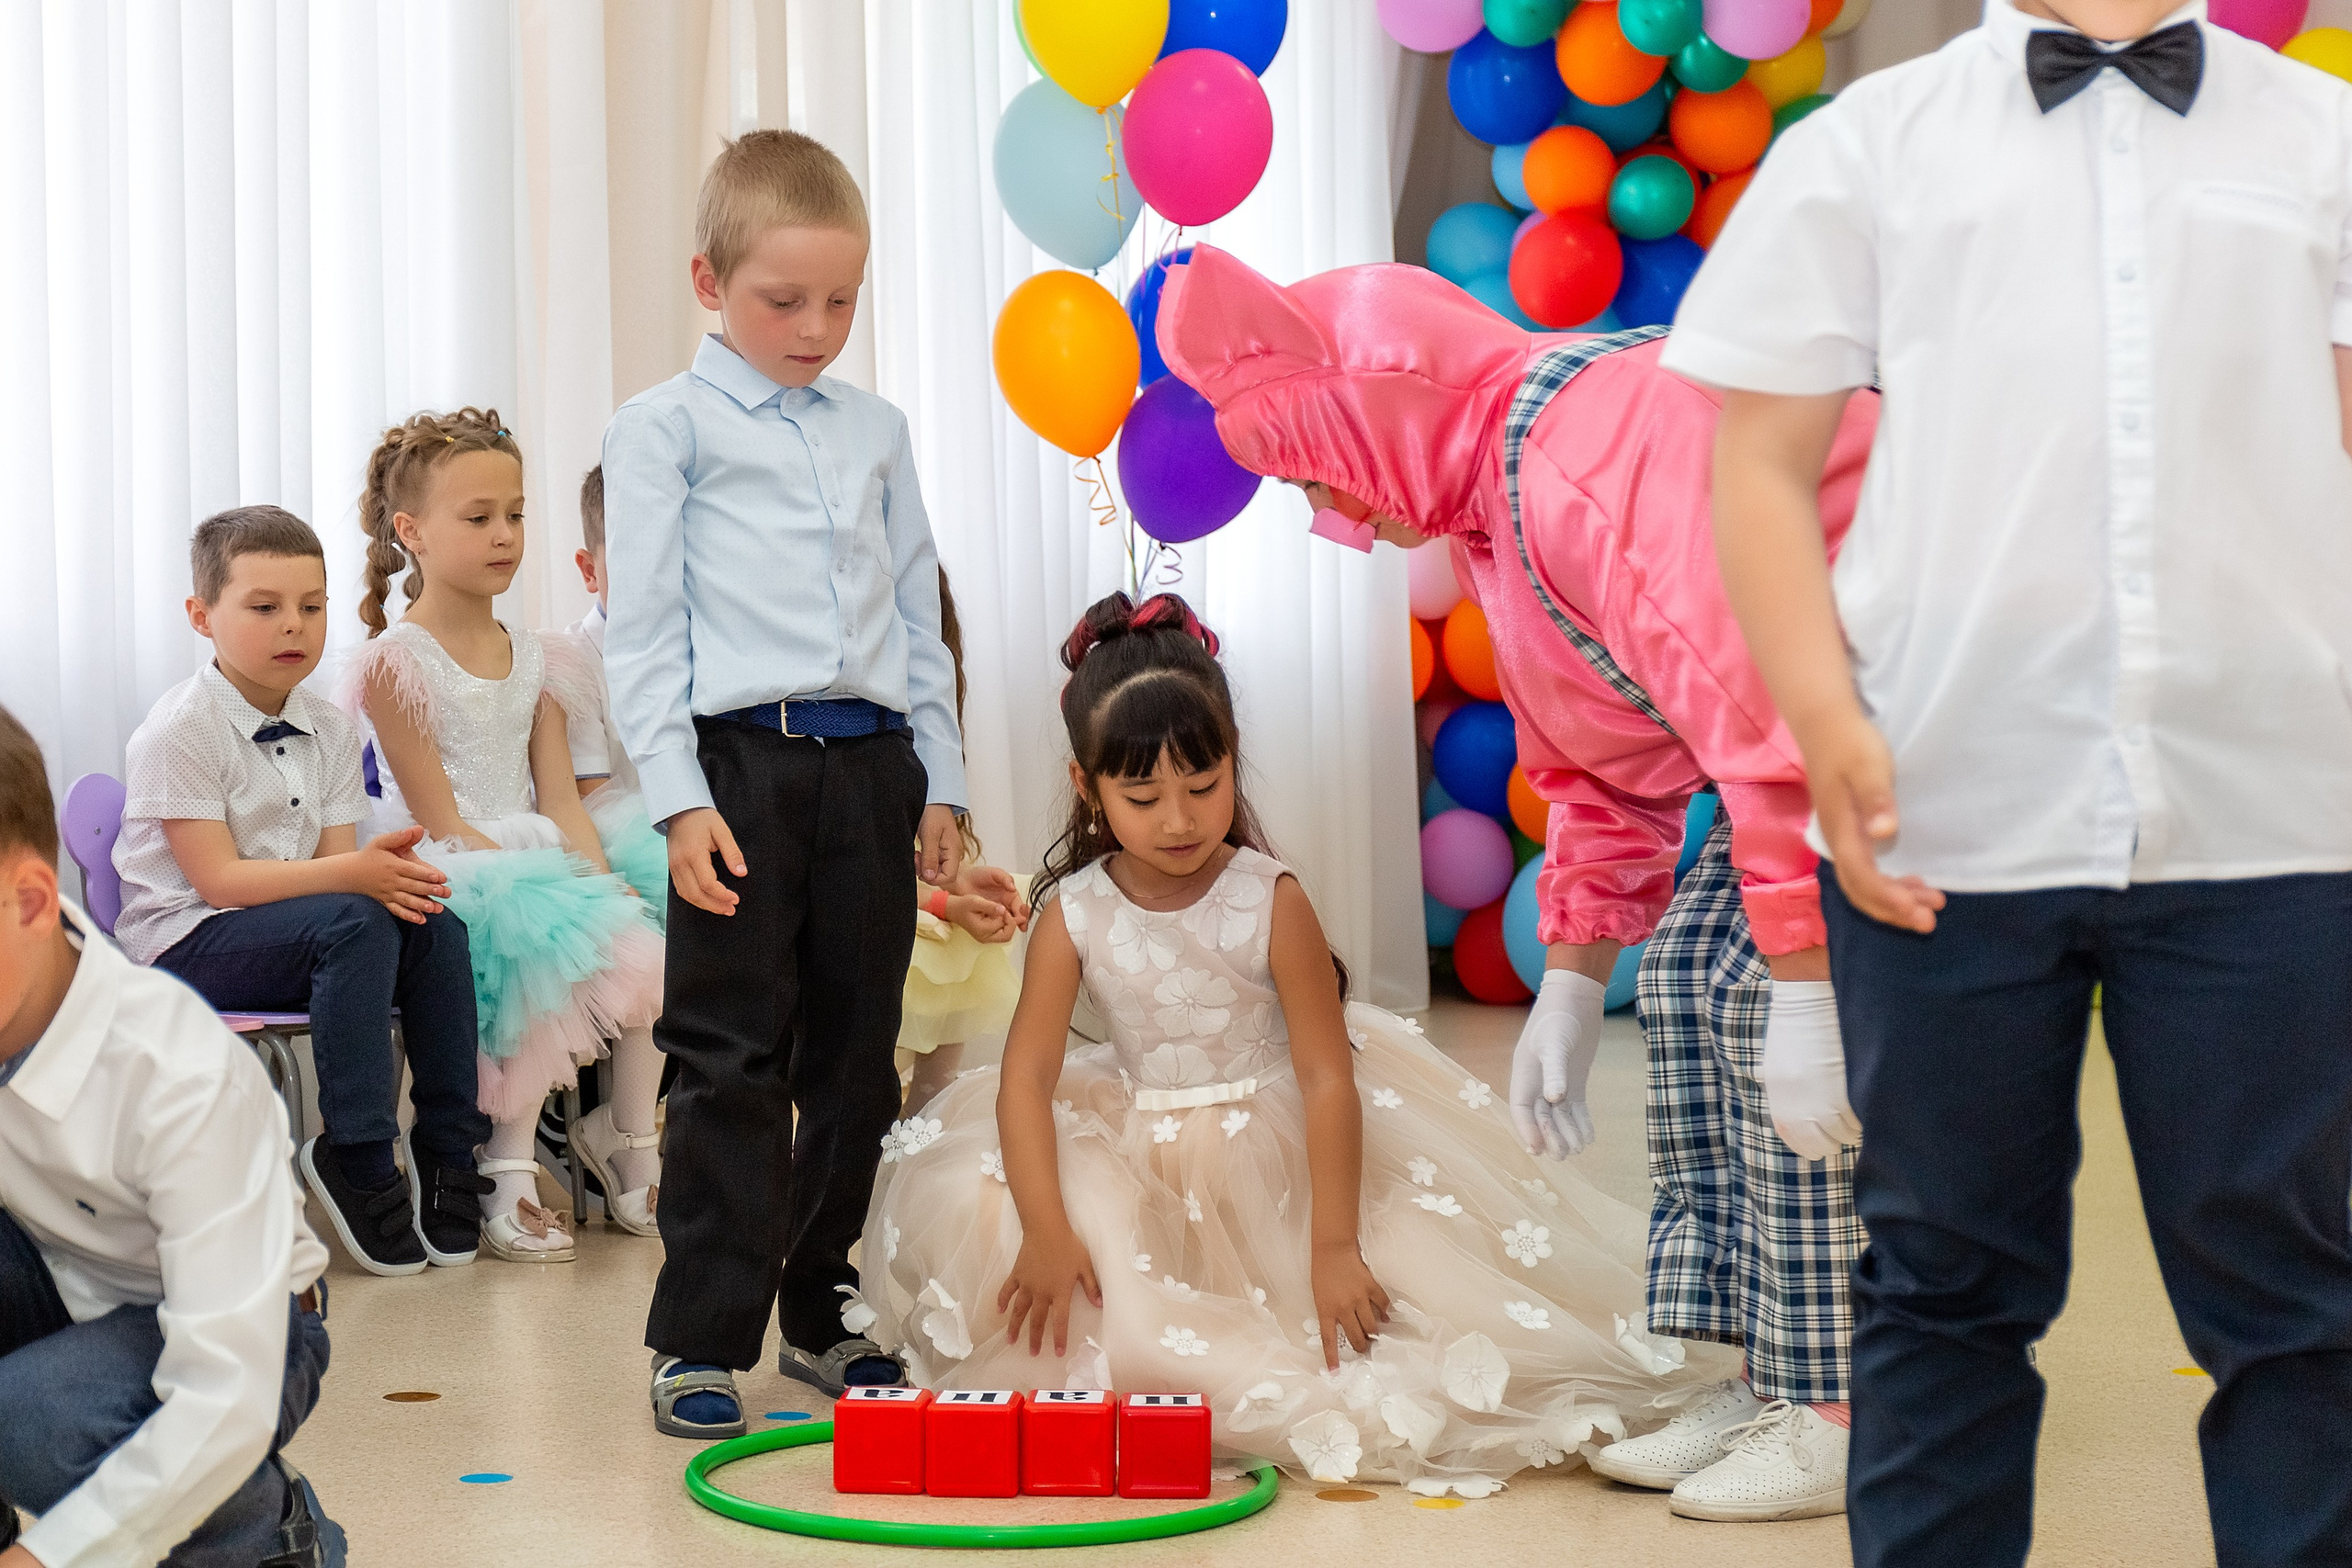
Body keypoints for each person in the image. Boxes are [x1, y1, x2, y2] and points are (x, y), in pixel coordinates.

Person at [1680, 3, 2352, 1564]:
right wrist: (1823, 718)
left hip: (2278, 814)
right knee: (1941, 1284)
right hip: (1947, 809)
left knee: (2297, 1296)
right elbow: (1758, 460)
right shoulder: (1867, 147)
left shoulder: (2318, 140)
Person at [1154, 243, 1879, 1518]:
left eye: (1318, 475)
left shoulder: (1583, 457)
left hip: (1900, 686)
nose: (1337, 517)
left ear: (1374, 411)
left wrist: (1813, 988)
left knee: (1757, 991)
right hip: (1803, 730)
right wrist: (1574, 978)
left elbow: (1761, 706)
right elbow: (1606, 769)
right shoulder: (1502, 499)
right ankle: (1771, 1364)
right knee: (1701, 995)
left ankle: (1843, 1399)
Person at [850, 592, 1732, 1494]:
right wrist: (1043, 1226)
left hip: (1286, 1136)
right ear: (1089, 788)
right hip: (1136, 1127)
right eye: (1143, 796)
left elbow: (1324, 1077)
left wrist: (1332, 1246)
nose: (1181, 820)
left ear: (1234, 761)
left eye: (1204, 785)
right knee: (1035, 1230)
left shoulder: (1271, 896)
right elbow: (1025, 1081)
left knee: (1399, 1315)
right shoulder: (1073, 913)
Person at [601, 129, 967, 1438]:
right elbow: (640, 634)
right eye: (784, 300)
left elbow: (920, 613)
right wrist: (679, 796)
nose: (818, 327)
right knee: (726, 1058)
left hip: (871, 765)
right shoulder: (661, 429)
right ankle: (700, 1333)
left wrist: (944, 780)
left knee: (859, 1055)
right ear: (709, 282)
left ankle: (822, 1303)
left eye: (842, 301)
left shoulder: (878, 430)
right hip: (737, 770)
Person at [0, 704, 344, 1567]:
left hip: (249, 1326)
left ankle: (268, 1537)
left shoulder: (178, 1071)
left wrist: (53, 1556)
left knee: (29, 1415)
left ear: (33, 903)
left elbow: (225, 1388)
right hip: (49, 1266)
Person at [114, 505, 490, 1277]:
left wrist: (377, 880)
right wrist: (355, 879)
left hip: (292, 929)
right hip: (188, 940)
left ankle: (449, 1144)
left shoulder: (326, 722)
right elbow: (218, 880)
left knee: (431, 924)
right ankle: (354, 1151)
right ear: (201, 615)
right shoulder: (179, 729)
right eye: (264, 607)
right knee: (359, 921)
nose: (295, 626)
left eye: (312, 607)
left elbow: (337, 877)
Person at [344, 407, 665, 1265]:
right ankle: (504, 1169)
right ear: (410, 531)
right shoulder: (393, 663)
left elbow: (561, 797)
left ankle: (633, 1138)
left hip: (530, 843)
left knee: (643, 935)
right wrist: (552, 884)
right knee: (538, 942)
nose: (504, 535)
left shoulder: (541, 656)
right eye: (478, 517)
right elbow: (439, 817)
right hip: (448, 858)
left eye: (515, 514)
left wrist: (597, 879)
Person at [545, 463, 673, 1236]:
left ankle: (637, 1123)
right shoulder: (576, 661)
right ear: (591, 567)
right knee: (683, 915)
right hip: (598, 840)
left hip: (672, 832)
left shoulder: (699, 651)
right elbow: (586, 795)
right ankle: (629, 1134)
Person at [899, 568, 1030, 1113]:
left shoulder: (925, 742)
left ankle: (922, 1129)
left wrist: (957, 883)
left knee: (960, 949)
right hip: (864, 915)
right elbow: (866, 877)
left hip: (908, 899)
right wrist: (947, 902)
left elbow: (910, 863)